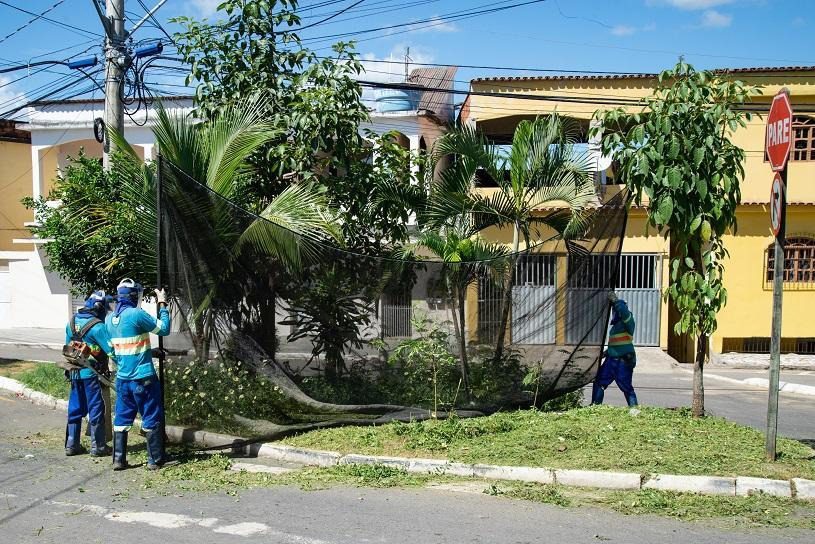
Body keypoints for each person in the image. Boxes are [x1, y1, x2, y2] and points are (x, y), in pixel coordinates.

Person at [106, 278, 170, 470]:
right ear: (134, 296)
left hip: (123, 379)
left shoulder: (110, 319)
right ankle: (154, 460)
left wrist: (148, 353)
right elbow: (164, 329)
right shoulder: (136, 314)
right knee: (151, 416)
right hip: (143, 378)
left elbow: (122, 349)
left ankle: (118, 460)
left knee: (122, 419)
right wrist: (162, 303)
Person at [64, 290, 116, 456]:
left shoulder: (71, 322)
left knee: (75, 408)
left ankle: (72, 445)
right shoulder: (98, 327)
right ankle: (98, 447)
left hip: (74, 373)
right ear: (99, 307)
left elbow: (68, 348)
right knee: (96, 408)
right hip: (92, 374)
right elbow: (111, 351)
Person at [591, 291, 639, 408]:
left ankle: (634, 410)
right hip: (611, 360)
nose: (615, 312)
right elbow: (617, 345)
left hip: (624, 361)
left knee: (627, 387)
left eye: (615, 310)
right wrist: (606, 353)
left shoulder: (628, 321)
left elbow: (623, 311)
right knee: (599, 383)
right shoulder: (614, 328)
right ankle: (595, 407)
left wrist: (616, 301)